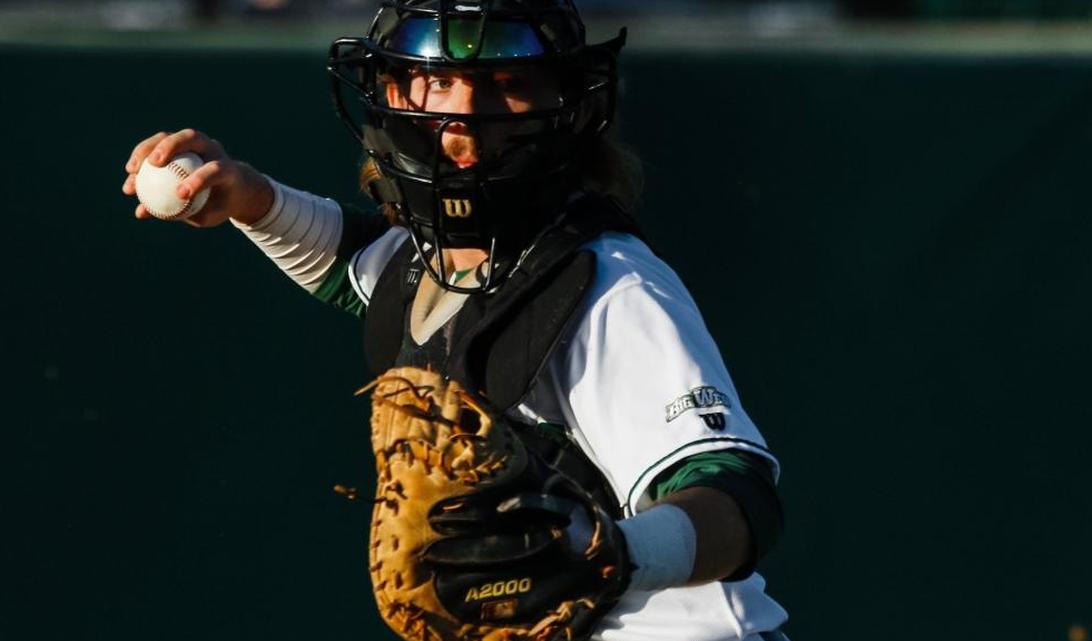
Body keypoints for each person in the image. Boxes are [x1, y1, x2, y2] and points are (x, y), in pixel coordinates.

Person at [122, 2, 790, 639]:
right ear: (394, 91)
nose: (467, 115)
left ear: (564, 105)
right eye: (440, 81)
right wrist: (250, 198)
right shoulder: (428, 263)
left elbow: (736, 498)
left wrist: (610, 549)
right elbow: (358, 263)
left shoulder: (608, 287)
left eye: (506, 82)